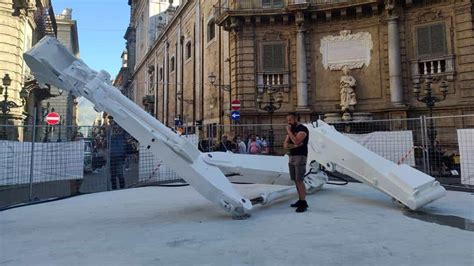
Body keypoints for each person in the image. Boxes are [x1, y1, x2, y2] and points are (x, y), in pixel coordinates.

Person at [284, 112, 309, 213]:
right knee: (295, 179)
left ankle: (303, 202)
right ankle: (300, 200)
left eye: (290, 119)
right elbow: (285, 145)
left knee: (300, 180)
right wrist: (294, 145)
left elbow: (297, 141)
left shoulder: (302, 129)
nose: (288, 122)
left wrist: (289, 132)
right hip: (292, 156)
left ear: (296, 119)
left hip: (300, 156)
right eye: (288, 119)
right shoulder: (293, 130)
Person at [107, 116, 127, 190]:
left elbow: (125, 136)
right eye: (109, 120)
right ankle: (115, 189)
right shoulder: (110, 129)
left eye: (110, 119)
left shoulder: (119, 128)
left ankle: (120, 189)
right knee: (114, 174)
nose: (109, 121)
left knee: (119, 173)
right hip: (114, 154)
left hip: (118, 154)